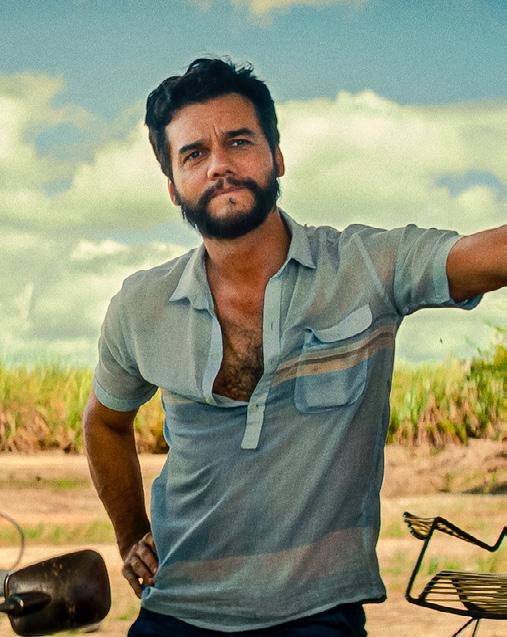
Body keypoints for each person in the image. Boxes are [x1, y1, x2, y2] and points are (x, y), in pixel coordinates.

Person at [83, 58, 506, 636]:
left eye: (239, 141)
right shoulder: (141, 305)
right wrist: (131, 533)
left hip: (317, 614)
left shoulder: (366, 269)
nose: (220, 165)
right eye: (194, 154)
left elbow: (487, 255)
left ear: (277, 156)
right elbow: (105, 422)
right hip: (174, 609)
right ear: (174, 187)